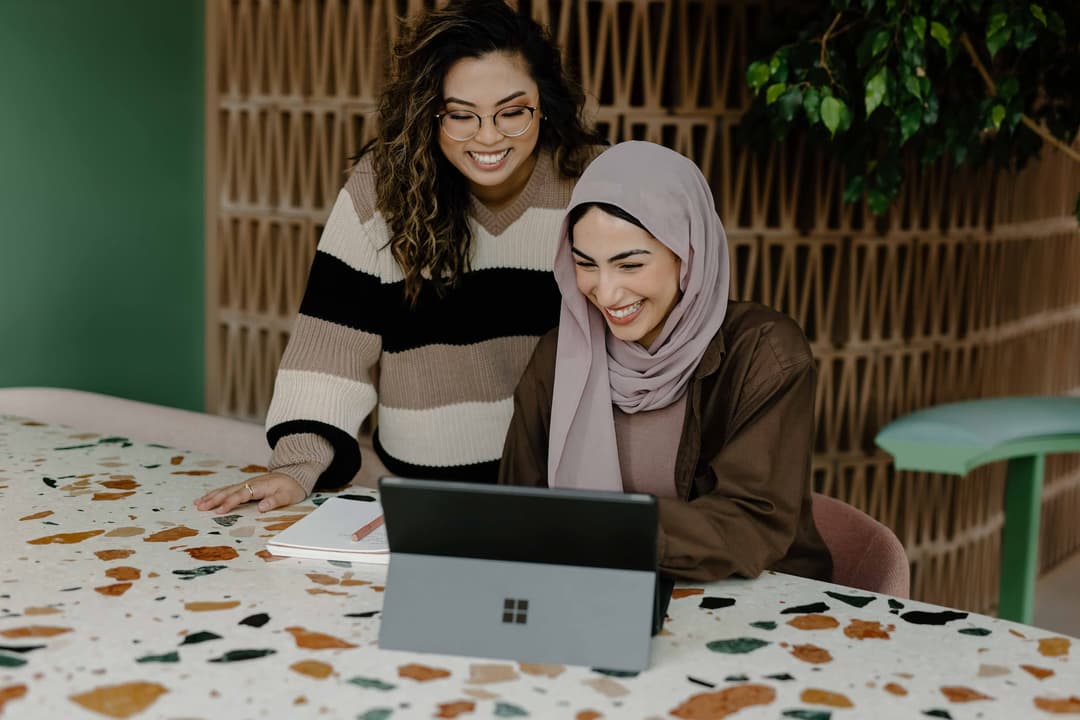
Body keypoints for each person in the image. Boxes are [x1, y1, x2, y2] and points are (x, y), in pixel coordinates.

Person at [197, 0, 604, 515]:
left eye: (512, 112)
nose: (488, 136)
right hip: (420, 496)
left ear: (543, 104)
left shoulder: (592, 180)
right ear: (428, 112)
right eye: (460, 115)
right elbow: (331, 345)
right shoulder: (382, 188)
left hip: (564, 490)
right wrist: (297, 467)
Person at [498, 141, 832, 582]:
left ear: (687, 252)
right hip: (600, 595)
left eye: (630, 265)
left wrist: (605, 531)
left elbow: (751, 522)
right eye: (586, 264)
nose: (607, 292)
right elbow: (516, 506)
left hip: (754, 603)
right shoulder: (559, 358)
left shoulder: (765, 353)